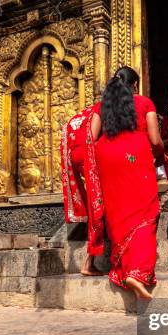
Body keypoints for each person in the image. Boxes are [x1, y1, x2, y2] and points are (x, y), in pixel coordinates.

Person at [94, 69, 160, 300]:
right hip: (135, 152)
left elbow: (91, 137)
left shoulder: (102, 105)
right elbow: (154, 140)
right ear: (135, 85)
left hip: (106, 154)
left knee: (119, 211)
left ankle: (123, 265)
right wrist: (161, 155)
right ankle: (136, 273)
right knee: (145, 212)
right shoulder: (144, 102)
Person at [61, 103, 104, 276]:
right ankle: (89, 261)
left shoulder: (83, 112)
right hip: (89, 154)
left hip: (74, 156)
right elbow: (91, 138)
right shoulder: (101, 109)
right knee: (99, 205)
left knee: (96, 202)